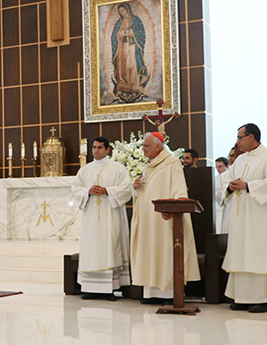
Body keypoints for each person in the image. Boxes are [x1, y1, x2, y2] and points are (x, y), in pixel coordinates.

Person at [221, 123, 267, 313]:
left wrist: (248, 186)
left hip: (260, 216)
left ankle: (262, 299)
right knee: (241, 252)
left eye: (240, 137)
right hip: (240, 218)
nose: (237, 142)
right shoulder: (240, 161)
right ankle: (242, 297)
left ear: (251, 137)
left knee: (257, 252)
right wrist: (231, 187)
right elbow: (228, 181)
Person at [130, 132, 200, 304]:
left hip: (164, 219)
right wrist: (136, 186)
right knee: (149, 252)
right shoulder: (149, 165)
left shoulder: (172, 163)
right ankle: (150, 293)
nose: (143, 149)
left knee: (164, 251)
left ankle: (168, 294)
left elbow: (179, 190)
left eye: (146, 146)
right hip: (148, 220)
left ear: (158, 147)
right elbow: (143, 192)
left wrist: (173, 209)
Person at [71, 137, 132, 301]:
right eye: (94, 147)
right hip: (91, 220)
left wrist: (108, 191)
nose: (95, 151)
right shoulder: (85, 170)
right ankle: (90, 288)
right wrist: (88, 191)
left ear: (108, 150)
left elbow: (127, 189)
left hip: (110, 218)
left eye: (99, 148)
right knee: (91, 249)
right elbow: (76, 189)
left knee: (109, 248)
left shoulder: (117, 168)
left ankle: (109, 289)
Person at [111, 2, 149, 103]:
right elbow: (114, 36)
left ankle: (134, 84)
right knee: (122, 65)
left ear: (128, 9)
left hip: (132, 46)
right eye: (120, 12)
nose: (122, 13)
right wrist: (119, 34)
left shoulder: (136, 20)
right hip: (122, 47)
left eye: (123, 10)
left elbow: (141, 34)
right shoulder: (119, 22)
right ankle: (123, 84)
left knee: (132, 64)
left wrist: (130, 33)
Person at [214, 157, 229, 233]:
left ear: (227, 166)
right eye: (216, 167)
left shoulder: (230, 176)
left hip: (226, 207)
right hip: (216, 209)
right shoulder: (215, 179)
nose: (218, 169)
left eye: (220, 166)